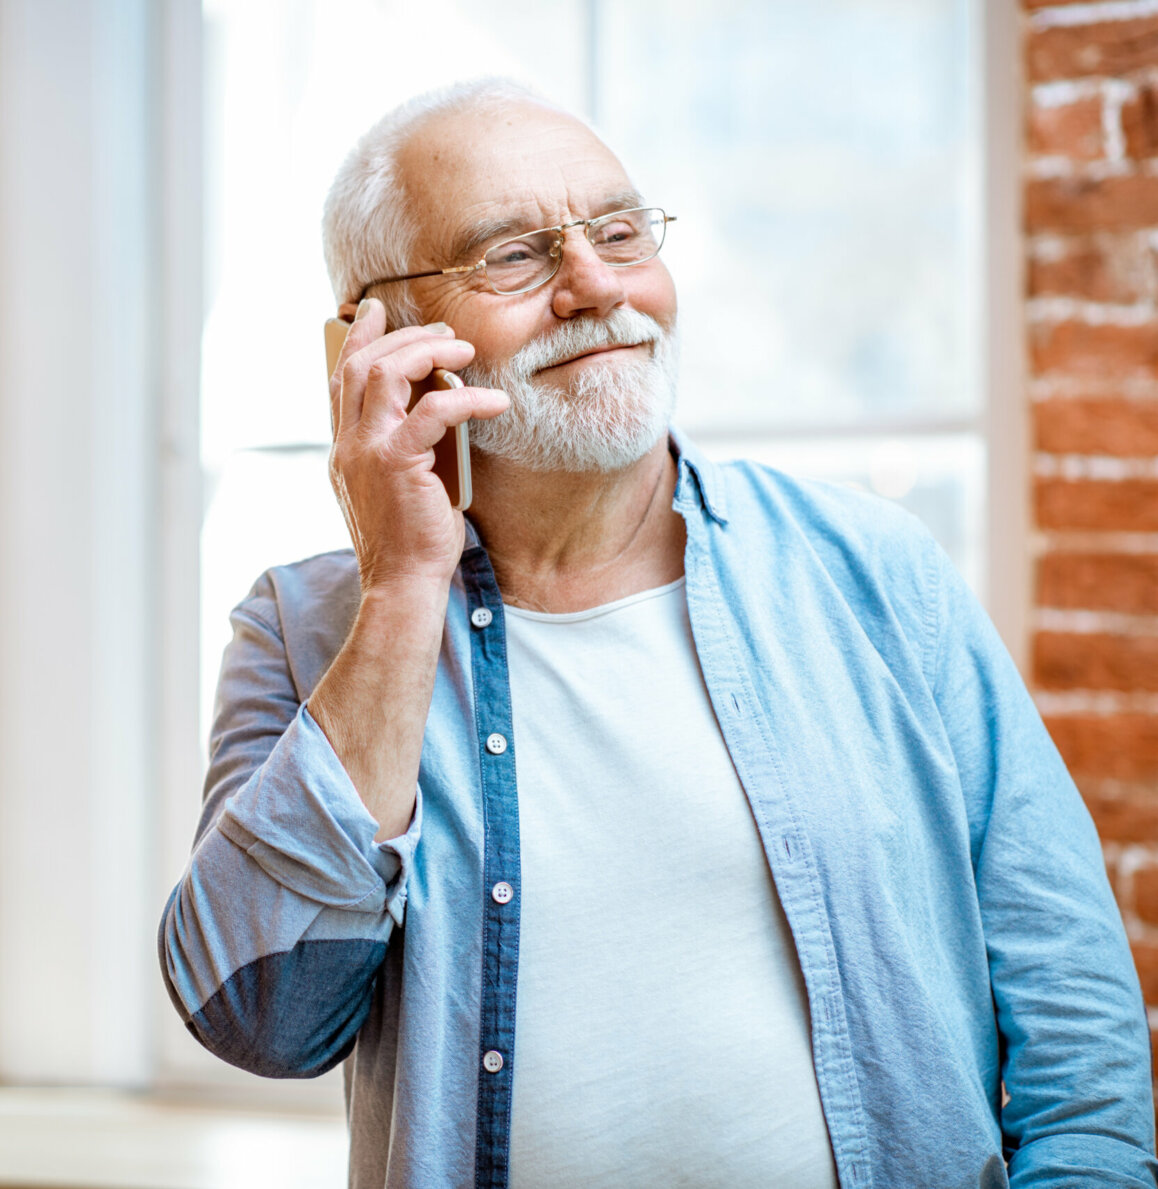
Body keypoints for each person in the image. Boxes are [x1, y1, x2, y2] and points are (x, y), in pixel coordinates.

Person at [158, 79, 1157, 1189]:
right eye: (515, 256)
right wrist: (403, 586)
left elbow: (1073, 1006)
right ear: (379, 337)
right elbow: (261, 1017)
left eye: (620, 232)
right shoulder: (304, 632)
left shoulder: (875, 571)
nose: (595, 286)